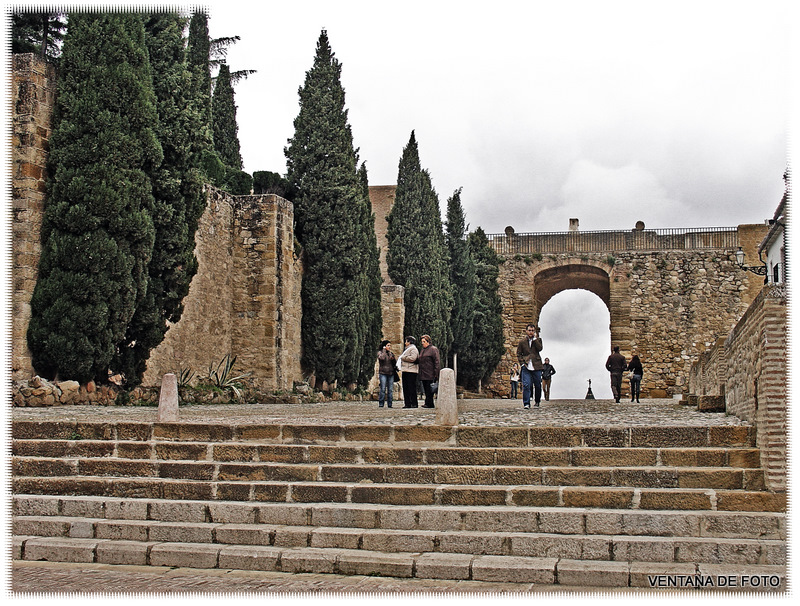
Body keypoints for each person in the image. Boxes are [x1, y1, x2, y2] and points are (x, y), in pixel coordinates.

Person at [516, 323, 543, 409]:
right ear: (526, 331)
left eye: (532, 331)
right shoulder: (522, 342)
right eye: (529, 330)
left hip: (537, 366)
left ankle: (537, 401)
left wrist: (535, 339)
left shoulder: (538, 340)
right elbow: (519, 353)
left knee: (538, 385)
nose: (531, 332)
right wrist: (522, 364)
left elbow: (540, 348)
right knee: (526, 385)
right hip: (526, 366)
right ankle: (526, 403)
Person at [418, 334, 440, 408]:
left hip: (430, 373)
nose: (422, 343)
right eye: (422, 341)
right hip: (423, 372)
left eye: (424, 341)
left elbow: (437, 361)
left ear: (428, 342)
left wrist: (436, 373)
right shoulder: (423, 350)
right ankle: (427, 402)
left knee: (430, 388)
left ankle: (429, 403)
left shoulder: (433, 349)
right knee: (426, 388)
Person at [398, 336, 420, 408]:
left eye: (406, 341)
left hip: (411, 371)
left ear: (409, 342)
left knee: (411, 388)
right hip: (406, 370)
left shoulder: (413, 349)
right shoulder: (407, 349)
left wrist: (403, 357)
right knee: (406, 388)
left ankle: (413, 403)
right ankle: (407, 403)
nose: (405, 343)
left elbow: (413, 358)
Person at [376, 339, 397, 408]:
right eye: (388, 345)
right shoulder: (380, 352)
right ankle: (381, 403)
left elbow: (394, 362)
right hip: (383, 373)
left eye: (390, 345)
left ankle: (390, 404)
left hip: (390, 373)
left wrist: (393, 359)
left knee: (390, 389)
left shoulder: (390, 353)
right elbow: (381, 358)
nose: (389, 347)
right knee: (382, 389)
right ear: (384, 346)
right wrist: (384, 351)